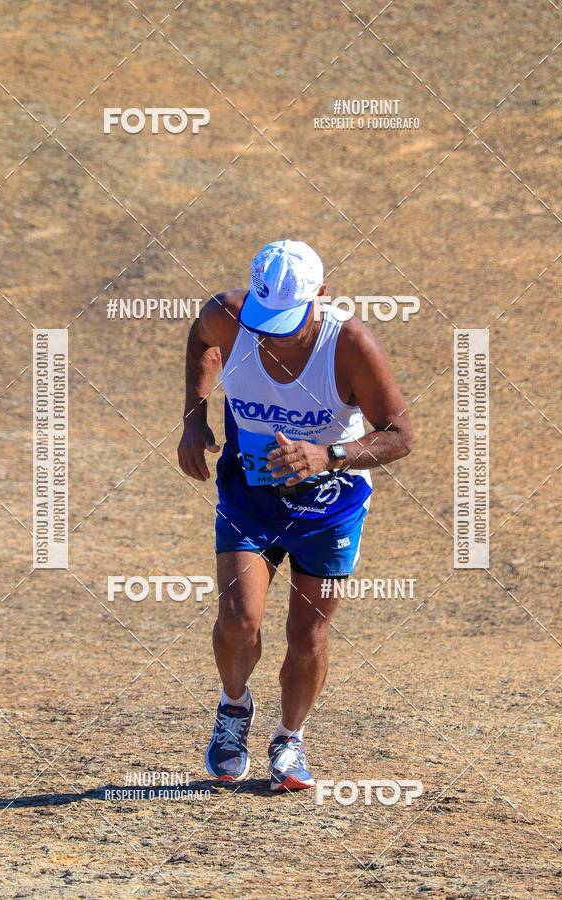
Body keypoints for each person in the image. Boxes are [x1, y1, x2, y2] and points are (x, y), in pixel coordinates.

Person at [178, 240, 413, 791]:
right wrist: (194, 416)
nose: (270, 331)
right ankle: (233, 709)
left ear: (321, 297)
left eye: (285, 320)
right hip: (249, 501)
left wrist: (326, 455)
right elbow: (201, 339)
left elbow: (401, 436)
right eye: (264, 318)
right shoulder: (231, 316)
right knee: (238, 620)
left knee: (307, 635)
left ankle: (289, 738)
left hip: (330, 509)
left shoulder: (350, 344)